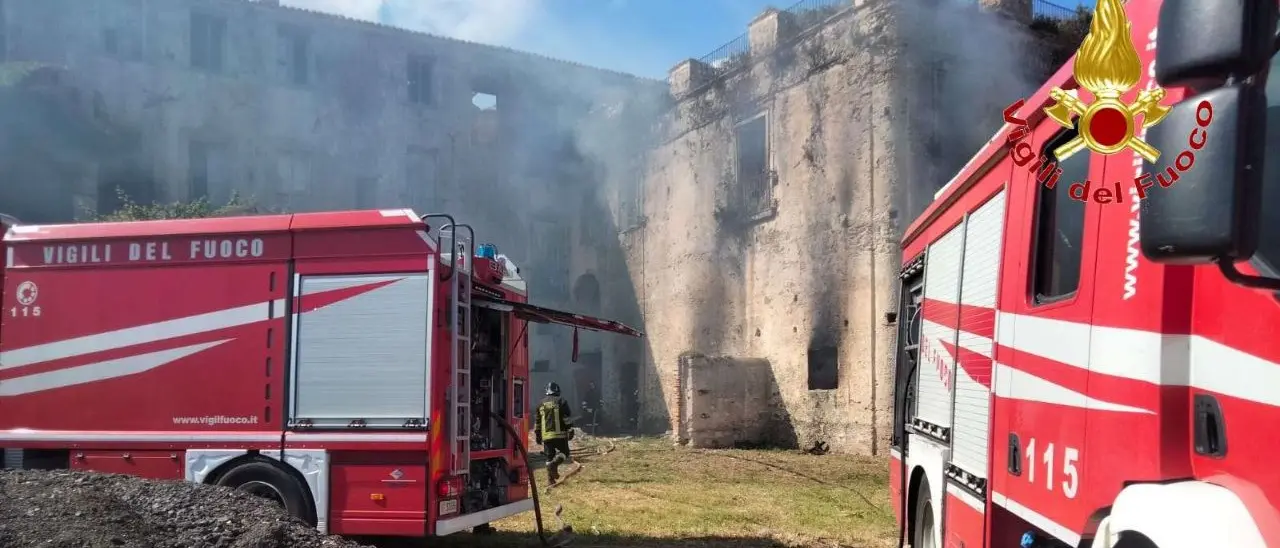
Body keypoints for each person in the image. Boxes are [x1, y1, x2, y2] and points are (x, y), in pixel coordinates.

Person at [534, 381, 575, 484]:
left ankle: (550, 480)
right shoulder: (561, 401)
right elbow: (566, 418)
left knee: (549, 456)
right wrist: (570, 429)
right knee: (565, 452)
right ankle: (554, 464)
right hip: (560, 435)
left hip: (546, 436)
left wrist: (538, 435)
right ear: (557, 390)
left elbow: (538, 422)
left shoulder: (540, 403)